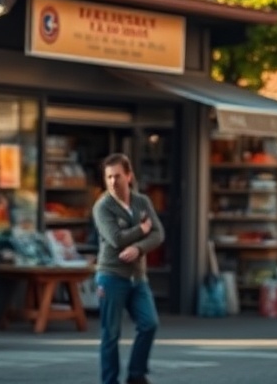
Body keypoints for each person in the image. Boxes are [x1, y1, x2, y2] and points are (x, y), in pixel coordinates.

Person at [92, 153, 164, 384]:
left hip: (137, 277)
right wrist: (142, 230)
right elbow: (116, 238)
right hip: (111, 276)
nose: (113, 182)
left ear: (129, 176)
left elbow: (158, 233)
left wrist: (139, 248)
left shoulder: (142, 202)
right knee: (111, 334)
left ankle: (135, 374)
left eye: (117, 176)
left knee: (149, 323)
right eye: (109, 177)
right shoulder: (102, 207)